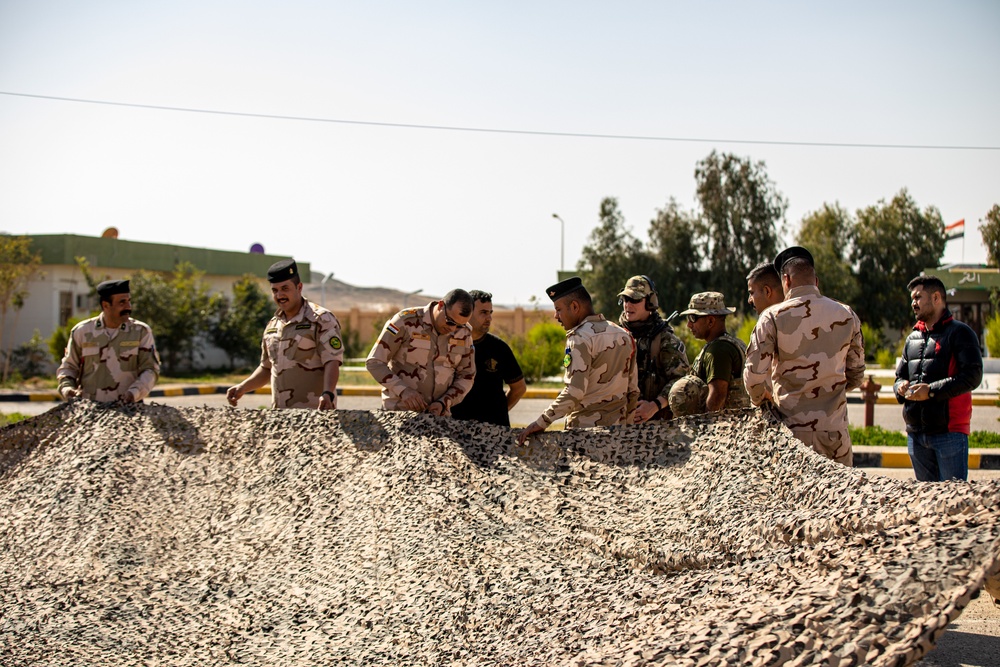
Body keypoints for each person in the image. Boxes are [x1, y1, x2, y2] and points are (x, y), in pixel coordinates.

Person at [743, 247, 866, 466]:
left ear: (786, 280)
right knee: (838, 498)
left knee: (793, 500)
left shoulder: (772, 317)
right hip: (834, 433)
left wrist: (763, 400)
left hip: (791, 434)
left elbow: (753, 378)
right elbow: (856, 374)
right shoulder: (847, 315)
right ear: (815, 281)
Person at [518, 277, 638, 444]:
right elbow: (633, 391)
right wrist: (627, 430)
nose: (555, 316)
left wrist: (542, 421)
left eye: (558, 309)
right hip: (617, 436)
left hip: (584, 437)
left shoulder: (580, 337)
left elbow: (574, 391)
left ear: (574, 307)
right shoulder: (624, 335)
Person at [894, 274, 983, 481]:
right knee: (927, 505)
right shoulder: (912, 338)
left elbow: (973, 376)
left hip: (949, 434)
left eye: (918, 297)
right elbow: (899, 377)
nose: (913, 303)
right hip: (916, 436)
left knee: (952, 503)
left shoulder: (961, 333)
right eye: (913, 298)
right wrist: (900, 387)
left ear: (936, 298)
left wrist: (931, 391)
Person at [227, 259, 343, 410]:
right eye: (275, 290)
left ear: (299, 287)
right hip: (281, 418)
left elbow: (332, 361)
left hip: (315, 414)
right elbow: (267, 368)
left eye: (285, 288)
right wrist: (243, 387)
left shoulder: (320, 319)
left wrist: (328, 393)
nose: (280, 295)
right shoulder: (272, 325)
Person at [366, 289, 476, 416]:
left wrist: (444, 402)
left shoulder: (465, 333)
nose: (452, 329)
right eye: (450, 321)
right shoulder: (405, 321)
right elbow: (374, 362)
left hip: (439, 417)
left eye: (459, 326)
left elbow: (467, 375)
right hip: (400, 413)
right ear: (440, 305)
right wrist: (403, 390)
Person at [57, 279, 160, 403]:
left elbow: (150, 369)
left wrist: (134, 393)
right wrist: (67, 388)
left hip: (128, 410)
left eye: (129, 301)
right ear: (106, 305)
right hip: (90, 410)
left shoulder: (140, 332)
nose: (128, 307)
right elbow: (69, 366)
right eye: (122, 302)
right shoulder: (82, 332)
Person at [616, 275, 690, 423]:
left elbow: (681, 381)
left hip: (656, 427)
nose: (628, 305)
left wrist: (654, 405)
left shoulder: (665, 340)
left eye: (635, 300)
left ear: (650, 303)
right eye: (625, 299)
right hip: (619, 423)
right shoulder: (615, 336)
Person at [450, 290, 526, 427]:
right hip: (458, 431)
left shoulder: (499, 348)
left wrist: (499, 412)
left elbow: (519, 388)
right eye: (483, 313)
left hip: (494, 435)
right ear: (468, 312)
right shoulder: (449, 344)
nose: (489, 318)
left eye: (490, 313)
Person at [669, 292, 749, 416]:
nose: (689, 325)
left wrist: (705, 428)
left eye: (693, 318)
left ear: (711, 321)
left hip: (724, 428)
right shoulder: (734, 343)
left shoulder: (718, 350)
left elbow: (717, 396)